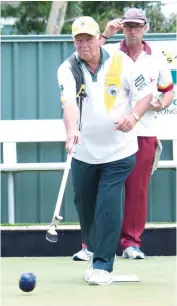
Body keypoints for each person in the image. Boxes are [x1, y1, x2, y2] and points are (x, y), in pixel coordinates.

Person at [73, 8, 174, 262]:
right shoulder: (110, 53)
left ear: (145, 28)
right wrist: (105, 34)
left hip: (145, 131)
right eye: (127, 25)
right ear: (122, 28)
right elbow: (85, 57)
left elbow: (168, 90)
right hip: (110, 134)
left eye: (136, 26)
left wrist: (161, 104)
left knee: (137, 191)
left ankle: (131, 243)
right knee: (98, 191)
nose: (131, 30)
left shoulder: (158, 59)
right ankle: (91, 245)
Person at [58, 16, 153, 285]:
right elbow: (69, 104)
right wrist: (71, 130)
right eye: (78, 39)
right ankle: (94, 250)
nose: (83, 44)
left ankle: (103, 265)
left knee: (108, 203)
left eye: (88, 38)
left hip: (119, 152)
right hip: (84, 151)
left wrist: (133, 117)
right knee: (85, 207)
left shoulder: (122, 62)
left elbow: (145, 94)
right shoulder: (67, 69)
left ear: (99, 38)